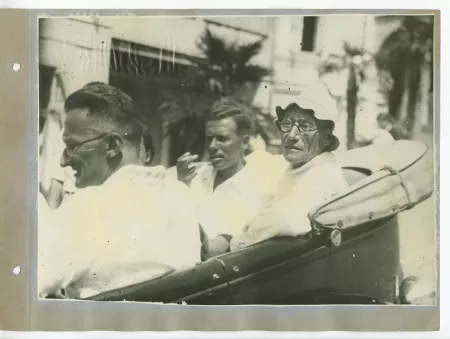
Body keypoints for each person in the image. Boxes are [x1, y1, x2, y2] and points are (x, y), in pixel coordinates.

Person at [38, 82, 201, 299]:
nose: (63, 160)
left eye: (72, 146)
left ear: (113, 146)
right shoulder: (180, 196)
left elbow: (24, 285)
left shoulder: (86, 206)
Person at [230, 83, 349, 250]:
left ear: (327, 139)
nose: (292, 136)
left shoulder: (324, 176)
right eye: (287, 124)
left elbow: (284, 219)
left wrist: (236, 241)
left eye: (305, 126)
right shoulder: (297, 168)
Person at [176, 97, 287, 257]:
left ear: (244, 142)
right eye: (209, 138)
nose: (212, 146)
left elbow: (221, 246)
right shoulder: (194, 175)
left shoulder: (256, 187)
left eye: (222, 139)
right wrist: (181, 185)